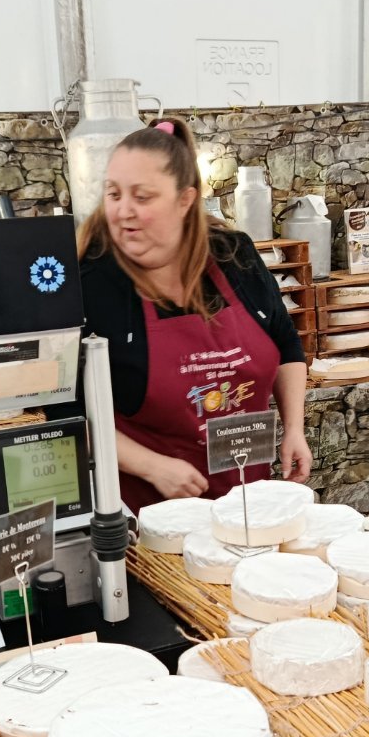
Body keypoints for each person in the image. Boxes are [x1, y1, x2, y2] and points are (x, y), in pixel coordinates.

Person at [71, 116, 311, 511]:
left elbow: (285, 342)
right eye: (113, 194)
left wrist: (294, 429)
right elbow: (71, 413)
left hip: (248, 499)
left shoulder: (234, 255)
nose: (123, 211)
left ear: (185, 199)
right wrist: (152, 467)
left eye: (142, 197)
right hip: (151, 515)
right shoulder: (93, 283)